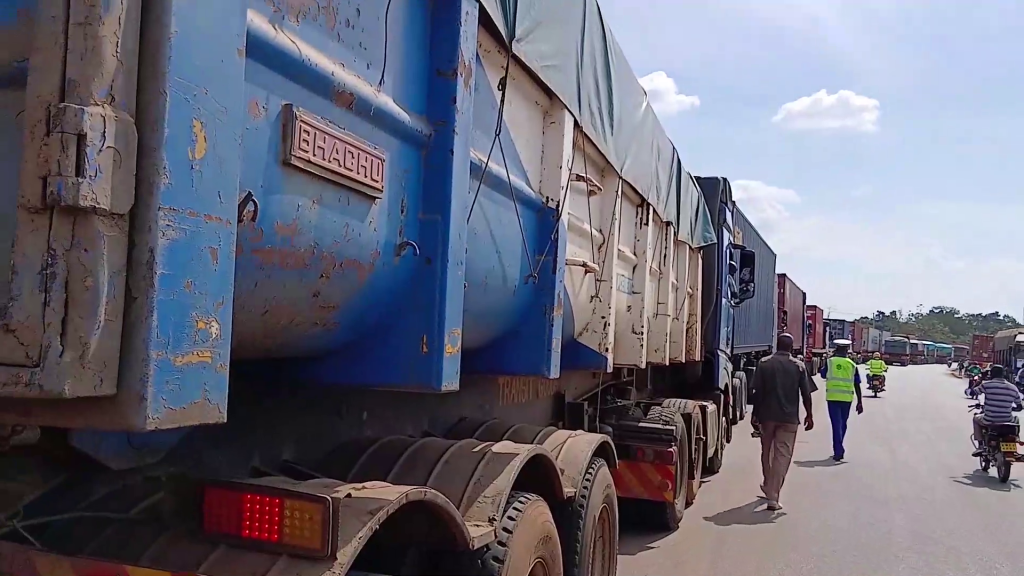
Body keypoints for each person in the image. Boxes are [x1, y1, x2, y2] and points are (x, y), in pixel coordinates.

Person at [749, 333, 814, 511]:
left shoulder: (764, 364)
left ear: (776, 345)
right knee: (782, 456)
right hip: (789, 418)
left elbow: (757, 392)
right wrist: (809, 414)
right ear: (791, 347)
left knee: (766, 451)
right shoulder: (799, 366)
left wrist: (755, 414)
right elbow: (806, 394)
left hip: (767, 417)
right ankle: (773, 495)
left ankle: (768, 484)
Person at [819, 339, 863, 461]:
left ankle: (838, 450)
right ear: (847, 350)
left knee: (836, 424)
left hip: (833, 398)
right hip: (847, 399)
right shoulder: (852, 364)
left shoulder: (830, 362)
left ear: (836, 349)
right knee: (842, 424)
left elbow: (823, 375)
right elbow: (857, 384)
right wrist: (860, 402)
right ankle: (839, 447)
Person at [971, 364, 1023, 457]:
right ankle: (1016, 440)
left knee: (976, 418)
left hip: (989, 420)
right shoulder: (1013, 388)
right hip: (1007, 421)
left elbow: (971, 392)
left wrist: (980, 379)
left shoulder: (986, 385)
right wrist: (1009, 408)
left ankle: (981, 447)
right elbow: (1019, 407)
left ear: (991, 374)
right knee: (1016, 419)